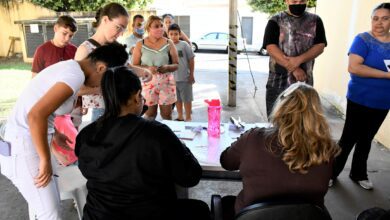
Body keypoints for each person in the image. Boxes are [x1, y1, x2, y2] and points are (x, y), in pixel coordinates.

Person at [1, 43, 128, 220]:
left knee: (45, 208)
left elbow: (43, 109)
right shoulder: (73, 75)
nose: (101, 86)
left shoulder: (71, 68)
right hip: (24, 148)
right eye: (105, 80)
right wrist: (45, 159)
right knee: (50, 214)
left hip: (25, 142)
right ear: (101, 68)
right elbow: (35, 115)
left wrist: (54, 135)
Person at [75, 67, 210, 220]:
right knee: (200, 210)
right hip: (151, 213)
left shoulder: (86, 135)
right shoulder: (156, 133)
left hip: (98, 215)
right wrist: (180, 146)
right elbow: (191, 176)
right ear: (137, 96)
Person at [219, 83, 340, 220]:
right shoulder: (327, 149)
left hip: (254, 216)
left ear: (281, 107)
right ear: (318, 113)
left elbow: (226, 162)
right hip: (306, 216)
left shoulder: (254, 138)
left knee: (225, 203)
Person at [331, 3, 390, 190]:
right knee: (348, 137)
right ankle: (331, 173)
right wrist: (387, 75)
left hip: (383, 101)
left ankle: (358, 173)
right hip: (360, 98)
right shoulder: (363, 40)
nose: (379, 22)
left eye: (385, 18)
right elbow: (354, 67)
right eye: (375, 18)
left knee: (366, 138)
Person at [262, 0, 327, 117]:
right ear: (286, 1)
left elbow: (320, 46)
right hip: (277, 83)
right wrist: (294, 68)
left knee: (301, 124)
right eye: (294, 1)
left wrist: (299, 60)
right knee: (275, 122)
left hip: (304, 84)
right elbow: (270, 47)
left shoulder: (315, 21)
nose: (298, 4)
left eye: (302, 1)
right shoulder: (275, 20)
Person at [75, 2, 129, 122]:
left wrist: (145, 72)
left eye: (123, 29)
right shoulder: (85, 49)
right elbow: (78, 89)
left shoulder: (117, 47)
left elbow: (127, 69)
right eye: (118, 27)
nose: (121, 33)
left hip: (120, 106)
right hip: (100, 109)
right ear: (105, 20)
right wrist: (107, 87)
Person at [133, 15, 179, 120]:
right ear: (148, 28)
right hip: (148, 84)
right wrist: (147, 68)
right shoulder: (140, 44)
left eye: (161, 25)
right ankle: (149, 136)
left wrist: (167, 67)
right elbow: (134, 65)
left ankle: (166, 136)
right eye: (156, 26)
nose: (160, 28)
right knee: (149, 115)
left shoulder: (169, 43)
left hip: (167, 84)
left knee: (167, 115)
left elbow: (176, 64)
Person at [168, 24, 195, 121]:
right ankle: (180, 116)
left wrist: (191, 74)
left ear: (179, 34)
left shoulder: (184, 45)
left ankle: (188, 117)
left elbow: (191, 60)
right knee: (177, 100)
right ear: (168, 35)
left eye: (176, 34)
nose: (173, 36)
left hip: (185, 78)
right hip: (172, 80)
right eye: (171, 34)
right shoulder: (167, 46)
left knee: (187, 99)